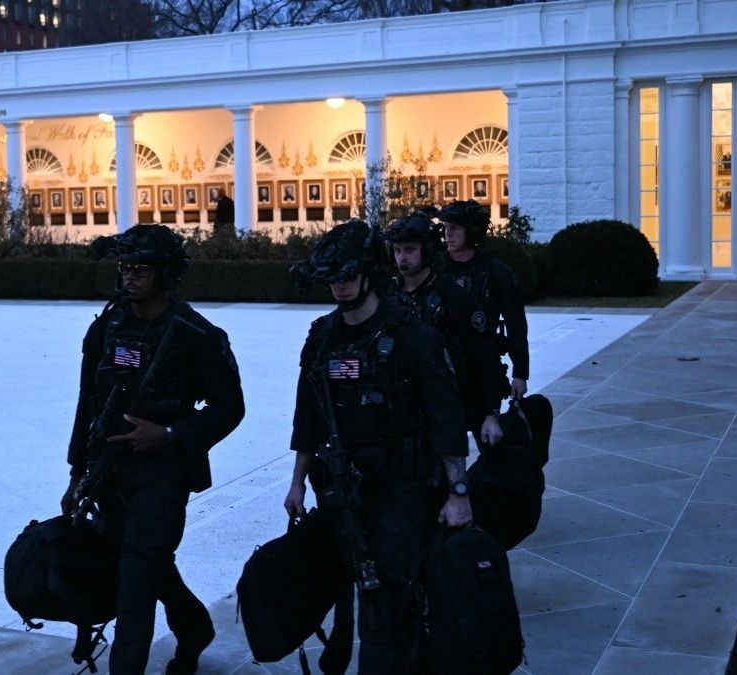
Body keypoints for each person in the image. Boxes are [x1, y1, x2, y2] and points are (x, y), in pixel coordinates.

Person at [286, 220, 471, 673]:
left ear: (369, 272)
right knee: (353, 588)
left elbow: (445, 420)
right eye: (332, 278)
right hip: (343, 488)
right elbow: (307, 415)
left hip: (402, 488)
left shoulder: (413, 336)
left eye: (347, 276)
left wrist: (458, 493)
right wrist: (296, 482)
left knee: (386, 595)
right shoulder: (323, 336)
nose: (340, 286)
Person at [62, 224, 245, 675]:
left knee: (137, 577)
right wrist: (75, 473)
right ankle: (195, 628)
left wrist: (169, 434)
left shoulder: (196, 334)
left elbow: (229, 408)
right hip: (110, 469)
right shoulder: (109, 326)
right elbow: (88, 402)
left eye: (141, 268)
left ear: (166, 273)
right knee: (148, 564)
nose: (130, 277)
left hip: (163, 473)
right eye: (125, 267)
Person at [382, 212, 506, 449]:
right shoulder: (387, 297)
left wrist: (491, 414)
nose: (402, 257)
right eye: (397, 250)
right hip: (403, 411)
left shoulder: (455, 298)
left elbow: (484, 355)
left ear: (427, 250)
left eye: (409, 249)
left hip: (452, 405)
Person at [438, 200, 530, 400]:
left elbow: (516, 324)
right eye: (445, 227)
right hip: (441, 368)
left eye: (455, 227)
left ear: (471, 230)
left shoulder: (496, 272)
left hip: (483, 367)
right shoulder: (435, 270)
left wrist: (520, 373)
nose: (448, 233)